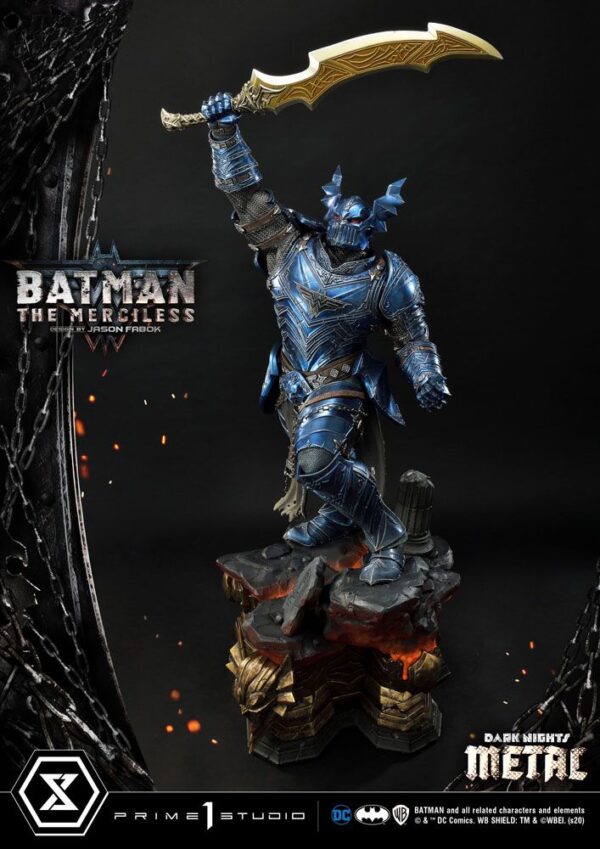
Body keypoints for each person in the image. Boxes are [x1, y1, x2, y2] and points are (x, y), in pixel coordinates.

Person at [201, 92, 449, 585]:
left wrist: (427, 376)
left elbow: (412, 337)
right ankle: (339, 515)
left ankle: (387, 536)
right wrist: (224, 133)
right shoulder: (289, 245)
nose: (345, 226)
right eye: (340, 217)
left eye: (357, 221)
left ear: (374, 224)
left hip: (340, 383)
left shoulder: (387, 275)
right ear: (328, 214)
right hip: (291, 380)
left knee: (316, 462)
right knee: (324, 462)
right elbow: (246, 197)